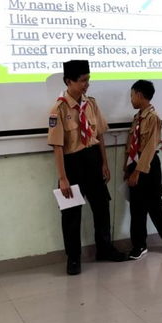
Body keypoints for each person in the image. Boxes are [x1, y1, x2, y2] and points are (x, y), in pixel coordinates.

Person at [48, 59, 126, 274]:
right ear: (68, 81)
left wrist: (104, 163)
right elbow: (57, 146)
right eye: (82, 80)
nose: (87, 84)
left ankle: (105, 249)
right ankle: (73, 258)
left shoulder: (91, 104)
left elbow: (99, 135)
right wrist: (62, 178)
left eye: (88, 79)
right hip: (72, 164)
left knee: (102, 207)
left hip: (93, 160)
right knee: (71, 214)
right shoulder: (59, 109)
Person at [124, 80, 162, 260]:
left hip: (148, 166)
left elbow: (149, 147)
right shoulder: (137, 118)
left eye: (132, 95)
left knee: (155, 205)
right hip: (135, 163)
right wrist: (127, 168)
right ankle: (139, 245)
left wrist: (137, 172)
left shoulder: (153, 118)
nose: (131, 99)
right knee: (136, 208)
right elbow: (131, 145)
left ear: (140, 95)